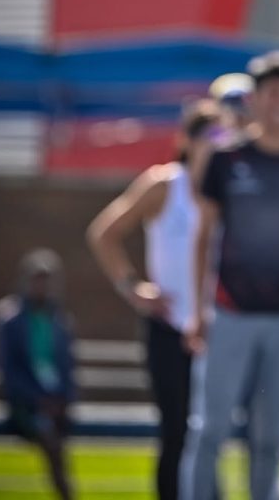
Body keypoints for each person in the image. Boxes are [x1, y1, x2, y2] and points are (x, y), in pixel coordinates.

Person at [180, 50, 279, 500]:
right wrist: (197, 310)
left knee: (271, 436)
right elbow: (203, 237)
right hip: (230, 314)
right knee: (210, 430)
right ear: (254, 100)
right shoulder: (225, 159)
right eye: (270, 92)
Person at [86, 98, 219, 500]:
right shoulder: (164, 185)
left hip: (217, 330)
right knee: (176, 431)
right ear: (187, 140)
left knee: (210, 433)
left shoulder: (229, 189)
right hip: (169, 326)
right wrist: (133, 288)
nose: (217, 144)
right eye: (209, 135)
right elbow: (104, 233)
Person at [0, 249, 76, 500]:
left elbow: (68, 368)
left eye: (47, 280)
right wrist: (38, 400)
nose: (42, 286)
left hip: (57, 404)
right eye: (37, 280)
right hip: (25, 405)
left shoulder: (60, 321)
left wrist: (64, 399)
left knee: (56, 431)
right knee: (50, 438)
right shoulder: (9, 321)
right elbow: (9, 372)